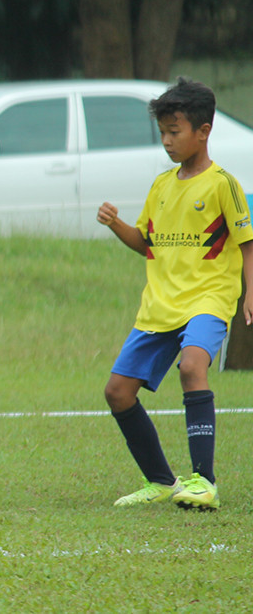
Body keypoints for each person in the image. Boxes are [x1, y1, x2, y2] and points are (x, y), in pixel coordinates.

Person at [97, 77, 253, 511]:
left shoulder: (223, 184)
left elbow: (247, 242)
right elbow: (146, 243)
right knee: (117, 392)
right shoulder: (162, 186)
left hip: (207, 298)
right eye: (162, 132)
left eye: (175, 131)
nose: (166, 141)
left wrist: (249, 293)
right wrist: (116, 224)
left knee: (191, 367)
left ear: (203, 131)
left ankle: (204, 481)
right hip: (160, 305)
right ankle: (162, 482)